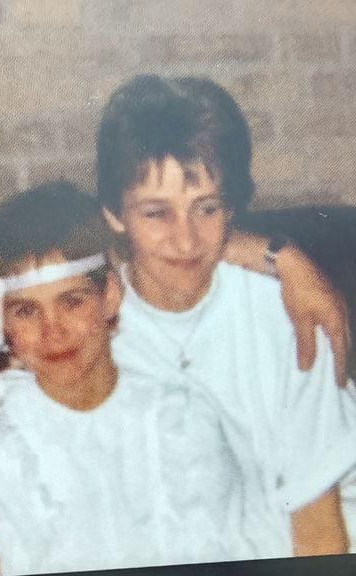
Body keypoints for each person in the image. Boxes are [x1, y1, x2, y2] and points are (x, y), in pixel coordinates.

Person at [96, 75, 356, 556]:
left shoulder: (288, 315)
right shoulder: (91, 331)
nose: (186, 240)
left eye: (207, 209)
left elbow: (319, 525)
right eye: (156, 214)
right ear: (114, 215)